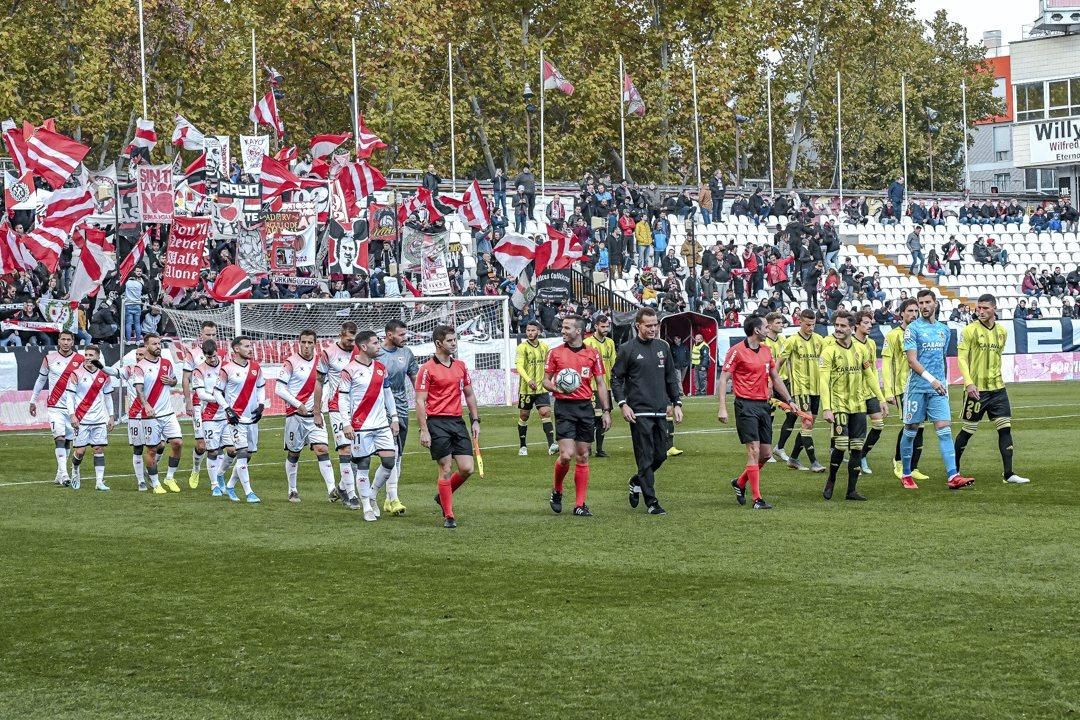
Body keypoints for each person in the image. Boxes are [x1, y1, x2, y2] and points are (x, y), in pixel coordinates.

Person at [718, 315, 799, 510]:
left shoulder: (766, 350)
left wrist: (789, 400)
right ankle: (757, 499)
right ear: (756, 330)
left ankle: (739, 482)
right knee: (753, 451)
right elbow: (723, 379)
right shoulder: (736, 351)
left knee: (765, 454)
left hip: (763, 405)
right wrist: (722, 406)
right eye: (765, 326)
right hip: (745, 405)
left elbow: (775, 378)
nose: (768, 328)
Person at [900, 290, 974, 491]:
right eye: (920, 303)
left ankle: (953, 475)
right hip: (917, 388)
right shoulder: (912, 329)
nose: (923, 306)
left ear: (935, 303)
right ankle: (906, 473)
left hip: (938, 389)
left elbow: (942, 360)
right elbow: (912, 360)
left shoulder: (944, 330)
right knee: (911, 430)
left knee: (944, 430)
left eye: (927, 302)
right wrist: (932, 380)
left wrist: (944, 383)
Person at [611, 308, 682, 515]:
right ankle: (652, 502)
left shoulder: (663, 347)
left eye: (655, 325)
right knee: (645, 457)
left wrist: (677, 403)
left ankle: (636, 480)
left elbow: (670, 377)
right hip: (639, 412)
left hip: (661, 410)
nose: (653, 329)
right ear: (638, 326)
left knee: (660, 455)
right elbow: (616, 378)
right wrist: (623, 404)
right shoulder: (627, 349)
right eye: (648, 325)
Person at [953, 294, 1030, 485]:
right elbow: (962, 358)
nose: (980, 311)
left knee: (1005, 429)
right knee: (968, 430)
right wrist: (968, 383)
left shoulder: (1002, 331)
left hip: (998, 389)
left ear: (994, 309)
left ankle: (1009, 474)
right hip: (976, 390)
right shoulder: (969, 330)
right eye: (978, 308)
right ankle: (953, 471)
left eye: (985, 308)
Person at [542, 315, 610, 517]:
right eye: (562, 327)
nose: (563, 331)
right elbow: (545, 380)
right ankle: (557, 490)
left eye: (566, 328)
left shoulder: (592, 354)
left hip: (585, 408)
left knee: (583, 455)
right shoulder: (555, 353)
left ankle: (580, 504)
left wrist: (605, 410)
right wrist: (556, 386)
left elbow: (600, 383)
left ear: (578, 331)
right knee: (565, 456)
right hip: (564, 406)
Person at [416, 325, 481, 529]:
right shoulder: (426, 369)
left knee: (467, 468)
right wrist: (424, 429)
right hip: (436, 423)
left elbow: (469, 394)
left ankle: (443, 496)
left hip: (457, 422)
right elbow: (420, 401)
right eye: (450, 340)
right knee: (445, 468)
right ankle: (449, 515)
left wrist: (475, 420)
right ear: (438, 343)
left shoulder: (460, 366)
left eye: (455, 340)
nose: (454, 343)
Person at [818, 311, 887, 501]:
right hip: (839, 405)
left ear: (851, 327)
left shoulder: (861, 350)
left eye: (842, 326)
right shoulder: (829, 351)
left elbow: (869, 376)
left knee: (856, 447)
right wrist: (826, 407)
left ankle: (851, 490)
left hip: (858, 405)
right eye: (836, 325)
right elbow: (823, 381)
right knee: (840, 445)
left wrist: (880, 398)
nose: (838, 329)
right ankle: (831, 480)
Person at [338, 331, 400, 522]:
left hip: (381, 425)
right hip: (360, 426)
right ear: (364, 347)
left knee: (389, 462)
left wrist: (395, 417)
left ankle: (372, 495)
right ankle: (366, 506)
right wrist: (346, 423)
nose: (379, 345)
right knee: (363, 466)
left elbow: (388, 394)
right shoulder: (349, 370)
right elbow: (342, 398)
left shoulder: (381, 368)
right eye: (375, 343)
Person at [276, 330, 338, 503]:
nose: (306, 346)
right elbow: (279, 389)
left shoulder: (321, 362)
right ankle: (292, 490)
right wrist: (298, 405)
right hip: (295, 415)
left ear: (315, 344)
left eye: (310, 343)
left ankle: (332, 489)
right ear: (299, 342)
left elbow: (325, 384)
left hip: (315, 416)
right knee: (294, 454)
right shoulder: (290, 362)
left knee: (322, 449)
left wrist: (320, 404)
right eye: (303, 342)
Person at [373, 319, 419, 514]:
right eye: (401, 334)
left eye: (405, 334)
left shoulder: (406, 353)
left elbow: (415, 378)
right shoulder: (376, 354)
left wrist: (423, 402)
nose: (404, 337)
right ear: (389, 335)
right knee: (388, 453)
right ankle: (392, 498)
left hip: (401, 409)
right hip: (378, 410)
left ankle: (386, 498)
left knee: (397, 455)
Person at [212, 336, 266, 502]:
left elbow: (261, 387)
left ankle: (225, 480)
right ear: (236, 349)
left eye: (251, 346)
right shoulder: (226, 369)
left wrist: (261, 405)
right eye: (246, 346)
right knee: (241, 452)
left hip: (251, 418)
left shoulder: (256, 368)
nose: (250, 349)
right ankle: (249, 492)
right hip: (235, 418)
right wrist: (227, 409)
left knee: (248, 454)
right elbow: (216, 391)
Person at [28, 330, 84, 486]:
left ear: (73, 342)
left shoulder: (81, 360)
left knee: (67, 440)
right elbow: (41, 380)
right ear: (58, 341)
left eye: (69, 340)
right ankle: (65, 475)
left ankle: (60, 474)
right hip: (55, 406)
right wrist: (33, 400)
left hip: (73, 408)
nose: (66, 343)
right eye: (63, 339)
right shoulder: (49, 358)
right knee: (58, 438)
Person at [315, 322, 361, 509]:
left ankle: (342, 487)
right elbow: (319, 382)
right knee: (345, 450)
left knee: (359, 453)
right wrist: (317, 411)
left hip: (358, 409)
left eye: (354, 340)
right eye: (349, 339)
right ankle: (351, 494)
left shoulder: (360, 351)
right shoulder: (328, 353)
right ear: (340, 335)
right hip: (336, 407)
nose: (352, 343)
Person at [881, 299, 928, 485]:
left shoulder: (921, 333)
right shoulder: (893, 336)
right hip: (903, 388)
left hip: (921, 386)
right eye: (909, 311)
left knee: (920, 427)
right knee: (910, 424)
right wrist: (888, 391)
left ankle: (914, 467)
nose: (914, 314)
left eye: (916, 310)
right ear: (901, 313)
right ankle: (899, 461)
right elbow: (886, 364)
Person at [132, 333, 184, 493]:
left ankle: (169, 478)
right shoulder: (140, 367)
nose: (158, 346)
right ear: (146, 345)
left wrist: (172, 381)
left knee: (177, 443)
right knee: (152, 450)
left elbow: (174, 380)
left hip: (168, 413)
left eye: (159, 343)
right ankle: (155, 484)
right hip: (150, 415)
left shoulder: (167, 363)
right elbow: (139, 388)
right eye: (154, 344)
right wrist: (146, 405)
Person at [775, 310, 825, 472]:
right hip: (800, 389)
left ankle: (794, 458)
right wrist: (770, 381)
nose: (811, 327)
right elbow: (779, 363)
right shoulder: (792, 341)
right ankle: (814, 462)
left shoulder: (819, 340)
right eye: (808, 324)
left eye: (813, 324)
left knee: (808, 427)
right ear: (800, 322)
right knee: (807, 423)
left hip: (816, 389)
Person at [65, 344, 115, 492]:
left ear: (98, 358)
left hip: (99, 419)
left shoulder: (104, 375)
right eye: (86, 355)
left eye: (91, 355)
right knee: (80, 451)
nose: (87, 358)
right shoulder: (76, 373)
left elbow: (108, 397)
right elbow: (69, 396)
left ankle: (99, 482)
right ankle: (75, 470)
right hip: (81, 418)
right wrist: (72, 414)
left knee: (98, 449)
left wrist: (111, 416)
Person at [181, 320, 218, 489]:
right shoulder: (193, 353)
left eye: (213, 334)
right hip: (199, 403)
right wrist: (188, 401)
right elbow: (186, 378)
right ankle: (196, 469)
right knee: (201, 445)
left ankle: (217, 479)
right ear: (201, 335)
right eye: (208, 334)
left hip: (218, 404)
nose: (211, 337)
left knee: (219, 445)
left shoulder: (221, 354)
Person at [851, 310, 889, 474]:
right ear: (857, 325)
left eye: (870, 322)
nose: (870, 325)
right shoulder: (850, 343)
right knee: (855, 431)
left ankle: (863, 456)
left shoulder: (872, 344)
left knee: (878, 425)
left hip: (870, 391)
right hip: (854, 393)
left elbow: (872, 369)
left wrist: (881, 397)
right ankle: (853, 460)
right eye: (866, 322)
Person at [191, 339, 229, 497]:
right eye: (208, 358)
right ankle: (208, 479)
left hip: (227, 413)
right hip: (208, 414)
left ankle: (219, 475)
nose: (212, 360)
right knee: (207, 449)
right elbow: (201, 395)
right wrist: (221, 398)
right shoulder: (198, 371)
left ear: (217, 351)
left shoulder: (227, 365)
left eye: (213, 356)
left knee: (232, 450)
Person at [515, 321, 556, 455]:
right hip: (526, 389)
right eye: (528, 330)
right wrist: (528, 380)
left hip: (541, 388)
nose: (530, 333)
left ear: (538, 331)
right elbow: (519, 366)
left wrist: (549, 380)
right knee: (524, 415)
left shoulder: (544, 347)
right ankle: (523, 446)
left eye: (533, 330)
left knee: (545, 412)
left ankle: (551, 446)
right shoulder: (522, 348)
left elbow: (549, 365)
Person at [583, 314, 617, 457]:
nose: (605, 329)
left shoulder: (610, 343)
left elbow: (614, 362)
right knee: (592, 417)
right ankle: (588, 447)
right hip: (592, 386)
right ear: (596, 326)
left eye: (607, 326)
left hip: (606, 386)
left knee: (604, 416)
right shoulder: (587, 343)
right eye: (602, 326)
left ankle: (599, 449)